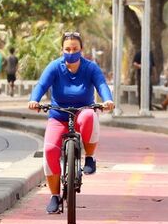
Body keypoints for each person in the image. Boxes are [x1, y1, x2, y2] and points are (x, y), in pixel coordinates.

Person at [28, 31, 115, 214]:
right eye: (67, 49)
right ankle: (54, 196)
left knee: (90, 116)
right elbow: (41, 86)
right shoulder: (54, 67)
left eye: (75, 48)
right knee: (50, 150)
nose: (71, 52)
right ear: (62, 50)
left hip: (83, 112)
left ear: (81, 49)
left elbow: (101, 85)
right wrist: (34, 100)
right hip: (59, 115)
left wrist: (107, 100)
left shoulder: (90, 67)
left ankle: (89, 158)